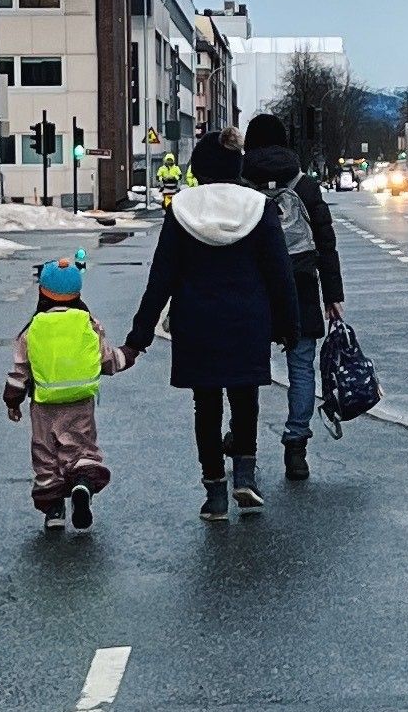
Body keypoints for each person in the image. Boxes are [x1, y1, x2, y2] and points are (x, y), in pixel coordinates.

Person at [120, 133, 300, 519]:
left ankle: (215, 493)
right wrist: (289, 326)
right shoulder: (258, 207)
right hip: (247, 321)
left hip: (196, 322)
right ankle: (245, 478)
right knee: (245, 399)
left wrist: (139, 337)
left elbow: (161, 278)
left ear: (199, 169)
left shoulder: (182, 210)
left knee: (206, 406)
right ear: (237, 166)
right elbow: (280, 273)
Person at [241, 113, 347, 481]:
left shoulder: (240, 185)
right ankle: (296, 448)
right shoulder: (305, 185)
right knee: (301, 367)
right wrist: (332, 294)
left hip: (252, 288)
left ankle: (243, 443)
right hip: (300, 284)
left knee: (247, 370)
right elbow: (326, 243)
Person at [2, 255, 116, 535]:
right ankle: (81, 484)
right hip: (81, 401)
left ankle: (53, 509)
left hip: (43, 404)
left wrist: (13, 400)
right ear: (77, 292)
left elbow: (20, 370)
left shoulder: (33, 329)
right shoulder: (88, 323)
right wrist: (129, 354)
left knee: (45, 453)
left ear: (43, 291)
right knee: (80, 446)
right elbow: (106, 359)